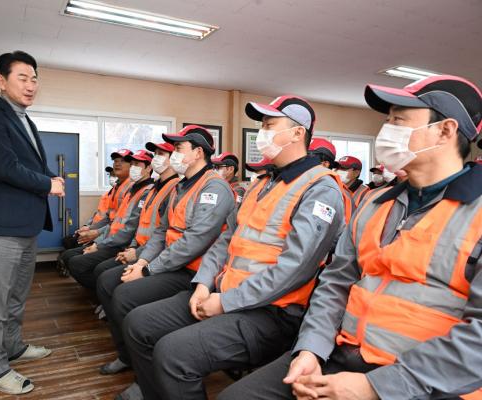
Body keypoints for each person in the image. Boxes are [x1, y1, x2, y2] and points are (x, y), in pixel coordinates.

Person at [219, 74, 482, 400]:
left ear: (445, 131)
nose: (386, 131)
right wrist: (311, 349)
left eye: (399, 120)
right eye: (387, 120)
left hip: (426, 383)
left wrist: (377, 386)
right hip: (342, 353)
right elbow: (335, 283)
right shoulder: (376, 203)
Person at [122, 95, 346, 400]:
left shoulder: (320, 188)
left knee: (173, 353)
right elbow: (226, 239)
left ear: (298, 133)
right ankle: (154, 391)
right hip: (223, 292)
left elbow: (294, 270)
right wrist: (203, 283)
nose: (262, 132)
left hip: (272, 311)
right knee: (139, 323)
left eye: (270, 124)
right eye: (262, 125)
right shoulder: (262, 182)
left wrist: (225, 302)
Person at [99, 125, 235, 398]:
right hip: (169, 264)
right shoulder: (181, 185)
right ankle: (130, 358)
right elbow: (162, 231)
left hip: (194, 273)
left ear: (198, 153)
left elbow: (194, 241)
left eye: (178, 149)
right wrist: (142, 261)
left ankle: (147, 382)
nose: (172, 154)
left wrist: (148, 270)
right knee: (107, 281)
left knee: (126, 297)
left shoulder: (214, 188)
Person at [0, 51, 65, 394]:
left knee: (16, 295)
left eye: (34, 78)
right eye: (22, 78)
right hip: (3, 223)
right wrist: (47, 184)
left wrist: (50, 176)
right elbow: (5, 167)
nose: (30, 85)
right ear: (1, 81)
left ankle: (12, 347)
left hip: (25, 223)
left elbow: (31, 165)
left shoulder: (24, 118)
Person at [91, 142, 179, 289]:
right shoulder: (152, 189)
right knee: (102, 273)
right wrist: (132, 247)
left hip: (151, 253)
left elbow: (164, 232)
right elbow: (137, 224)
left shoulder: (175, 188)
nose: (156, 158)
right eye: (155, 154)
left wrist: (137, 253)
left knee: (105, 277)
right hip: (135, 247)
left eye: (161, 154)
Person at [68, 150, 155, 290]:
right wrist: (92, 232)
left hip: (126, 245)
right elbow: (113, 219)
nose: (133, 168)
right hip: (114, 240)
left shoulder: (147, 191)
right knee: (74, 256)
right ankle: (102, 294)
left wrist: (99, 243)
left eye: (137, 164)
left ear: (149, 168)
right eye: (132, 164)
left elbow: (132, 227)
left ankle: (104, 294)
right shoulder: (131, 189)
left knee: (93, 269)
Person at [58, 149, 133, 272]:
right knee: (69, 247)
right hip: (104, 232)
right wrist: (88, 227)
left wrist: (96, 236)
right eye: (115, 161)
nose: (117, 164)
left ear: (132, 165)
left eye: (122, 161)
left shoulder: (131, 189)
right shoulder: (116, 189)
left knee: (75, 258)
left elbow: (124, 223)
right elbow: (105, 216)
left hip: (116, 239)